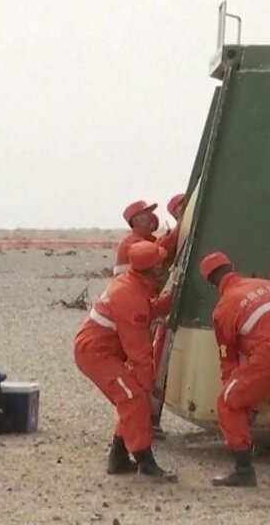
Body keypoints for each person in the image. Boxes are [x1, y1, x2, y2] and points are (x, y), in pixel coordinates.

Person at [200, 251, 270, 487]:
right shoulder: (264, 284)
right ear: (234, 266)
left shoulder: (222, 311)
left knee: (227, 402)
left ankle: (243, 470)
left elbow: (228, 361)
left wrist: (242, 400)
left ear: (212, 284)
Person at [73, 241, 177, 481]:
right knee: (133, 398)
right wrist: (148, 389)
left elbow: (146, 308)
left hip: (100, 349)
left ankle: (119, 458)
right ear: (152, 270)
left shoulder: (132, 285)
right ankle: (146, 463)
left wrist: (168, 302)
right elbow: (139, 353)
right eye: (160, 264)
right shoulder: (130, 297)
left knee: (129, 398)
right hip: (96, 353)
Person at [149, 192, 187, 439]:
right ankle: (151, 419)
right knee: (158, 365)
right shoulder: (165, 243)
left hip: (165, 309)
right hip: (161, 313)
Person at [113, 200, 160, 276]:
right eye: (146, 214)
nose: (152, 217)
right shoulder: (132, 242)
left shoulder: (149, 238)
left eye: (150, 213)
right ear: (135, 220)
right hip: (130, 286)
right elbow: (160, 253)